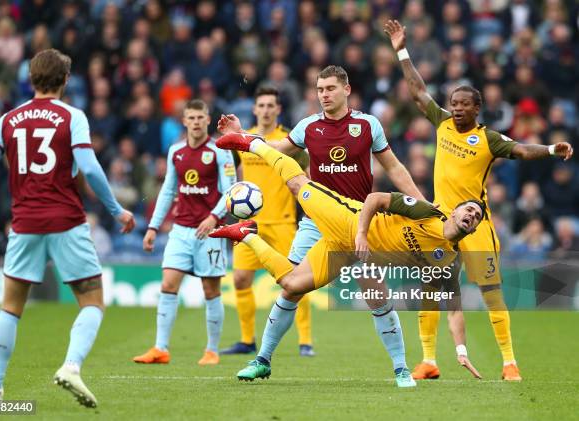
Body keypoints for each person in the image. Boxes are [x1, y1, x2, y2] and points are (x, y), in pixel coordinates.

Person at [210, 132, 484, 387]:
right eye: (469, 208)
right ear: (455, 211)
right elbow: (376, 198)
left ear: (473, 228)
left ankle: (246, 235)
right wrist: (362, 234)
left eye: (477, 216)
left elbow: (455, 309)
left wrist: (461, 351)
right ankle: (253, 144)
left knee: (296, 285)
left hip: (356, 252)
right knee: (297, 185)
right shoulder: (427, 213)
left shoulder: (450, 259)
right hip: (348, 221)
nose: (471, 215)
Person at [384, 19, 574, 381]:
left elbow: (520, 150)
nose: (455, 108)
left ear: (477, 109)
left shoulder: (488, 139)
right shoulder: (439, 122)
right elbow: (417, 92)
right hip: (440, 222)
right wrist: (402, 51)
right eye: (453, 102)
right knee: (431, 286)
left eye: (464, 104)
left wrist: (550, 148)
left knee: (490, 291)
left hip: (476, 226)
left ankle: (509, 363)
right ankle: (428, 361)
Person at [218, 65, 424, 376]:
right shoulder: (308, 127)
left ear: (346, 89)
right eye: (319, 89)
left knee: (376, 295)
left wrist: (421, 204)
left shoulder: (368, 125)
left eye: (330, 88)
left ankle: (401, 368)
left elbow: (394, 168)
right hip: (316, 223)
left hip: (359, 223)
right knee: (290, 288)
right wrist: (242, 134)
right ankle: (262, 360)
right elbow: (272, 149)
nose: (324, 95)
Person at [0, 49, 136, 407]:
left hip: (25, 223)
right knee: (92, 301)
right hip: (66, 221)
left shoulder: (9, 119)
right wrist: (116, 209)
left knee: (10, 307)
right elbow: (90, 170)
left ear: (31, 80)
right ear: (65, 81)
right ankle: (71, 366)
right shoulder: (71, 116)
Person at [132, 99, 236, 366]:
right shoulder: (175, 151)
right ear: (184, 120)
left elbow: (231, 191)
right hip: (180, 230)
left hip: (210, 232)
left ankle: (212, 350)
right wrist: (153, 227)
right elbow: (168, 191)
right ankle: (160, 348)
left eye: (201, 117)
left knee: (210, 290)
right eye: (191, 118)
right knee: (168, 284)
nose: (196, 122)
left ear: (208, 119)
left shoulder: (220, 151)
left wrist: (214, 217)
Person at [220, 85, 314, 357]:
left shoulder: (289, 142)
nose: (265, 110)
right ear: (254, 109)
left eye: (270, 105)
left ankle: (305, 341)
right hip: (251, 222)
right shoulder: (244, 140)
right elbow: (236, 172)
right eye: (261, 105)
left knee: (299, 280)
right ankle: (247, 339)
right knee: (239, 279)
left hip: (283, 222)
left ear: (278, 109)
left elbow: (307, 175)